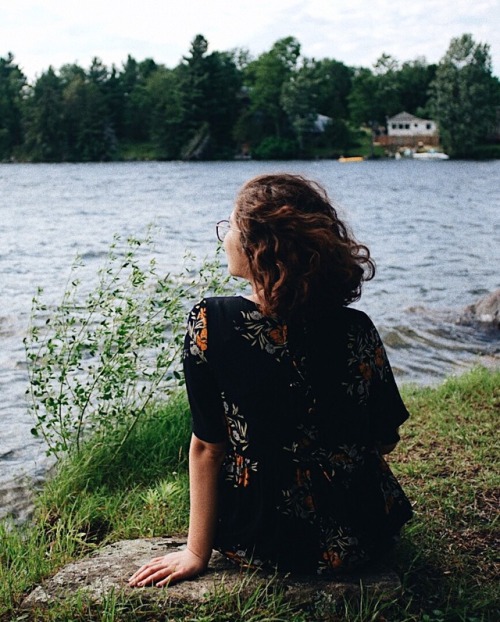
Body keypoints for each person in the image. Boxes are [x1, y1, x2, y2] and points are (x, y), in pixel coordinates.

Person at [129, 173, 412, 588]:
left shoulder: (211, 321)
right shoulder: (357, 328)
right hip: (361, 534)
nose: (224, 237)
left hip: (260, 539)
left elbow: (208, 446)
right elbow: (385, 439)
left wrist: (195, 552)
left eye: (230, 227)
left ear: (260, 249)